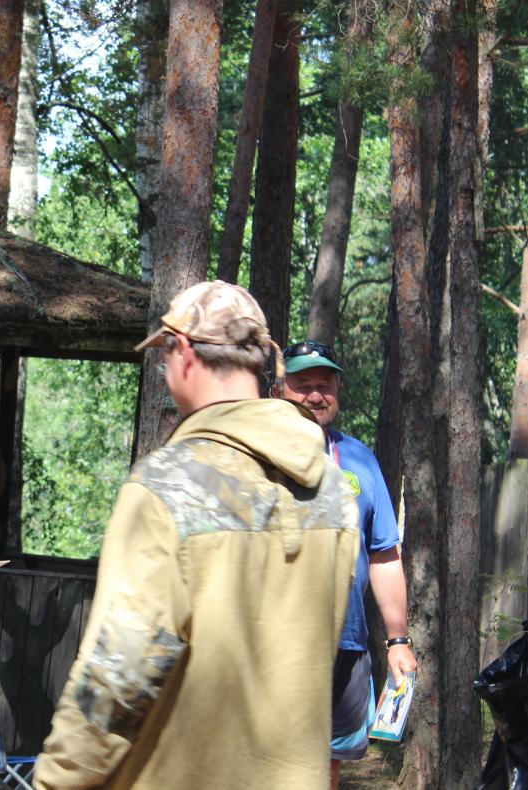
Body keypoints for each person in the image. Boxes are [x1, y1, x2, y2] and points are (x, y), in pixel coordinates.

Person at [34, 281, 360, 789]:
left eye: (164, 357)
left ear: (183, 351)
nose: (165, 371)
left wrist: (56, 778)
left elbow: (120, 676)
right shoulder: (333, 492)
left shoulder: (167, 486)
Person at [277, 339, 417, 788]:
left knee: (328, 766)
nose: (315, 395)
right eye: (302, 384)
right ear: (279, 389)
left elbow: (384, 554)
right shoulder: (258, 454)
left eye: (325, 385)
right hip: (273, 640)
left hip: (346, 642)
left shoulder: (358, 458)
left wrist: (398, 639)